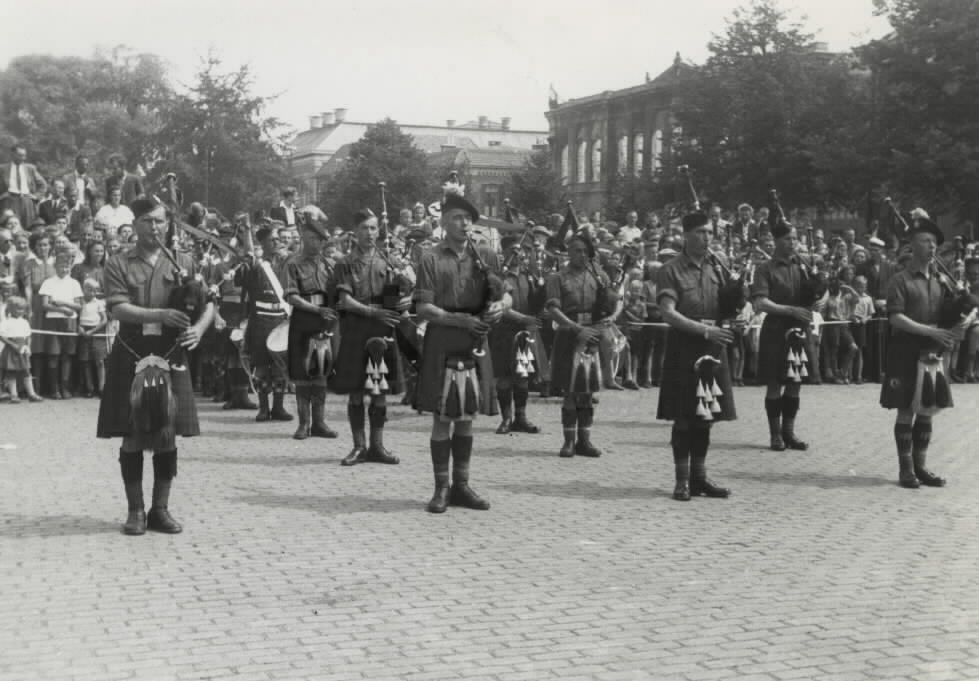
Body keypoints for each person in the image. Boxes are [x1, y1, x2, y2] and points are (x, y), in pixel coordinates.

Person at [97, 197, 215, 535]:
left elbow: (209, 305)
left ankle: (160, 509)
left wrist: (199, 328)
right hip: (132, 352)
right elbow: (117, 308)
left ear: (168, 224)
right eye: (147, 221)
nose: (155, 227)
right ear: (134, 224)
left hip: (172, 351)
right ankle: (135, 512)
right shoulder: (118, 263)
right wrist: (161, 315)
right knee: (133, 434)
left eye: (160, 221)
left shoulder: (183, 261)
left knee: (166, 434)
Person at [413, 184, 501, 513]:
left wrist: (499, 306)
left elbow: (503, 295)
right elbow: (423, 308)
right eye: (457, 218)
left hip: (475, 340)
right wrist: (459, 320)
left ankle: (462, 485)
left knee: (466, 416)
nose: (465, 224)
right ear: (444, 222)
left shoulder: (486, 256)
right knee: (442, 415)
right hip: (444, 339)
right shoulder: (431, 258)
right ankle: (441, 488)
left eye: (469, 219)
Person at [655, 212, 736, 500]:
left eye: (710, 232)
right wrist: (704, 331)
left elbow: (729, 304)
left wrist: (738, 309)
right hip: (685, 347)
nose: (707, 237)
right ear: (686, 235)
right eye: (701, 232)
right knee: (684, 417)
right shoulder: (670, 269)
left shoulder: (718, 268)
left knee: (706, 416)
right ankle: (681, 480)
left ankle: (699, 478)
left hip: (713, 348)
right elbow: (668, 312)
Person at [880, 217, 959, 489]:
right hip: (905, 351)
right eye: (926, 241)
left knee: (926, 410)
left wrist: (959, 318)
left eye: (935, 243)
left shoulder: (942, 282)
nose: (932, 247)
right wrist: (930, 331)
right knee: (905, 411)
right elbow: (895, 318)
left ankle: (921, 467)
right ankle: (905, 470)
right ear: (912, 246)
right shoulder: (899, 280)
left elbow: (950, 315)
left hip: (932, 353)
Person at [332, 209, 410, 466]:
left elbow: (392, 301)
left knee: (379, 391)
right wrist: (373, 312)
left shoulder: (385, 260)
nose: (369, 233)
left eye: (374, 228)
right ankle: (358, 446)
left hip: (381, 333)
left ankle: (378, 446)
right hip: (356, 330)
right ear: (355, 232)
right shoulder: (344, 262)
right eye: (364, 228)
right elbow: (344, 300)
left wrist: (400, 285)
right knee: (356, 391)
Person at [750, 220, 814, 451]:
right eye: (788, 239)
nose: (793, 243)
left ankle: (789, 433)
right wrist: (790, 309)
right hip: (776, 329)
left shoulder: (803, 265)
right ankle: (775, 434)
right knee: (775, 382)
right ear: (776, 241)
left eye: (795, 238)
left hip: (799, 328)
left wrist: (819, 297)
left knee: (795, 382)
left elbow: (815, 294)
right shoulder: (765, 269)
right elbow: (760, 302)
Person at [545, 233, 608, 458]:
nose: (581, 255)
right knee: (570, 391)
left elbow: (606, 306)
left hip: (591, 335)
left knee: (588, 392)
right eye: (576, 250)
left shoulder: (598, 276)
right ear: (568, 252)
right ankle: (569, 441)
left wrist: (598, 328)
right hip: (569, 335)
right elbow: (553, 309)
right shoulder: (557, 277)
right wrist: (575, 328)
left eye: (584, 251)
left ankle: (585, 440)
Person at [282, 207, 339, 440]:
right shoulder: (293, 263)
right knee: (302, 373)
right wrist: (316, 309)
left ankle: (320, 423)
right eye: (311, 238)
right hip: (304, 319)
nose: (315, 243)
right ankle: (304, 424)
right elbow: (291, 296)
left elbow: (337, 292)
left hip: (326, 321)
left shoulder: (330, 265)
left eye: (319, 239)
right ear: (303, 237)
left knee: (321, 371)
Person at [489, 232, 546, 435]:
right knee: (504, 378)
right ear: (503, 252)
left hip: (522, 334)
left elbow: (535, 304)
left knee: (522, 377)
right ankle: (506, 418)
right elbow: (500, 305)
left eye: (520, 250)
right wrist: (523, 319)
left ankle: (520, 417)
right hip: (503, 333)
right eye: (512, 250)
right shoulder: (497, 276)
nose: (517, 253)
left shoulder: (528, 276)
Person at [237, 222, 292, 422]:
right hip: (260, 321)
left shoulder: (287, 263)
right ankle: (263, 408)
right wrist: (247, 243)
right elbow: (242, 272)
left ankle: (278, 407)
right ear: (263, 243)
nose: (277, 242)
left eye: (278, 238)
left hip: (281, 318)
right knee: (261, 367)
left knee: (279, 366)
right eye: (272, 239)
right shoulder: (256, 265)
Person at [0, 296, 43, 403]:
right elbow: (1, 336)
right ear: (10, 309)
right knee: (11, 373)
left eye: (22, 309)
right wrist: (12, 345)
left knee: (27, 371)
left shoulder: (24, 322)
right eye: (18, 309)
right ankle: (14, 395)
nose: (21, 311)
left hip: (22, 349)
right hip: (11, 350)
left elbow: (28, 336)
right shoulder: (6, 322)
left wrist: (28, 346)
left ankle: (31, 394)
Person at [0, 144, 47, 227]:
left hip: (26, 201)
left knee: (27, 226)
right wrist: (1, 196)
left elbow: (43, 184)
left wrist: (36, 196)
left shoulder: (30, 168)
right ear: (12, 154)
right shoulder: (3, 169)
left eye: (24, 155)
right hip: (9, 201)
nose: (23, 158)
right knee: (9, 224)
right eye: (20, 155)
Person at [76, 278, 108, 396]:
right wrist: (79, 327)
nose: (93, 293)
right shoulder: (79, 302)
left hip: (97, 332)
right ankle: (89, 388)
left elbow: (104, 320)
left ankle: (102, 388)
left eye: (95, 291)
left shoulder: (98, 303)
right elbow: (76, 317)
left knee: (99, 361)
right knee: (85, 361)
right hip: (84, 331)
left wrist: (93, 331)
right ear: (84, 289)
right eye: (90, 290)